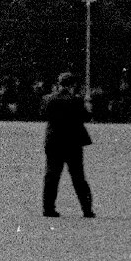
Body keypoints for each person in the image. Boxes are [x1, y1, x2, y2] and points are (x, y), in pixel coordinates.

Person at [40, 74, 94, 218]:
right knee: (78, 178)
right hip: (72, 143)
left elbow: (42, 113)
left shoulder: (48, 99)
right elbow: (86, 117)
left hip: (53, 142)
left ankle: (48, 208)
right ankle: (87, 210)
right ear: (72, 85)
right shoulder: (76, 100)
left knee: (51, 176)